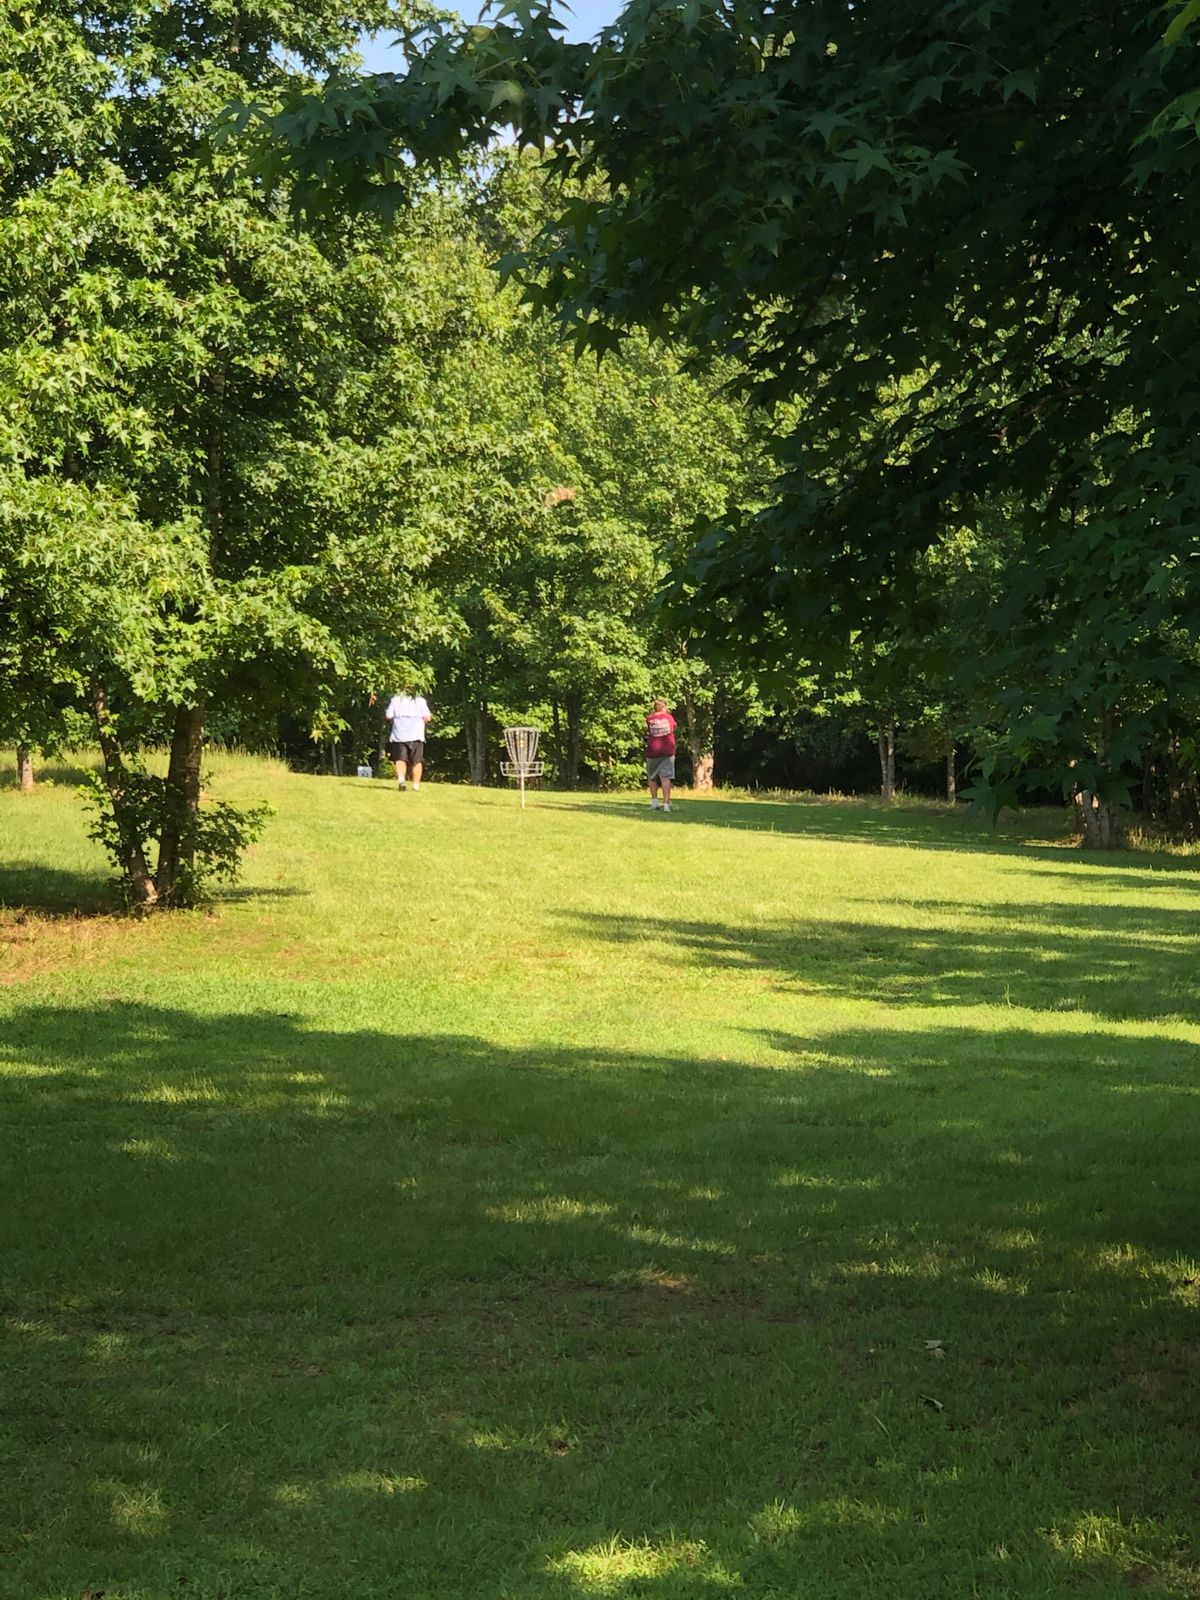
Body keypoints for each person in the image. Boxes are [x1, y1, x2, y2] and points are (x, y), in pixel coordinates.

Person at [383, 686, 432, 791]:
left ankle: (401, 781)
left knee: (400, 759)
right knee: (417, 761)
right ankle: (416, 786)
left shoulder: (396, 700)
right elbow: (428, 717)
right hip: (416, 735)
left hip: (399, 734)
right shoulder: (420, 701)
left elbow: (388, 715)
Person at [645, 697, 677, 812]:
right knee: (666, 778)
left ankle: (655, 802)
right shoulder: (669, 717)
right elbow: (673, 728)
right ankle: (666, 805)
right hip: (668, 751)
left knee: (652, 777)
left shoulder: (649, 718)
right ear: (664, 707)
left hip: (653, 751)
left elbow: (649, 731)